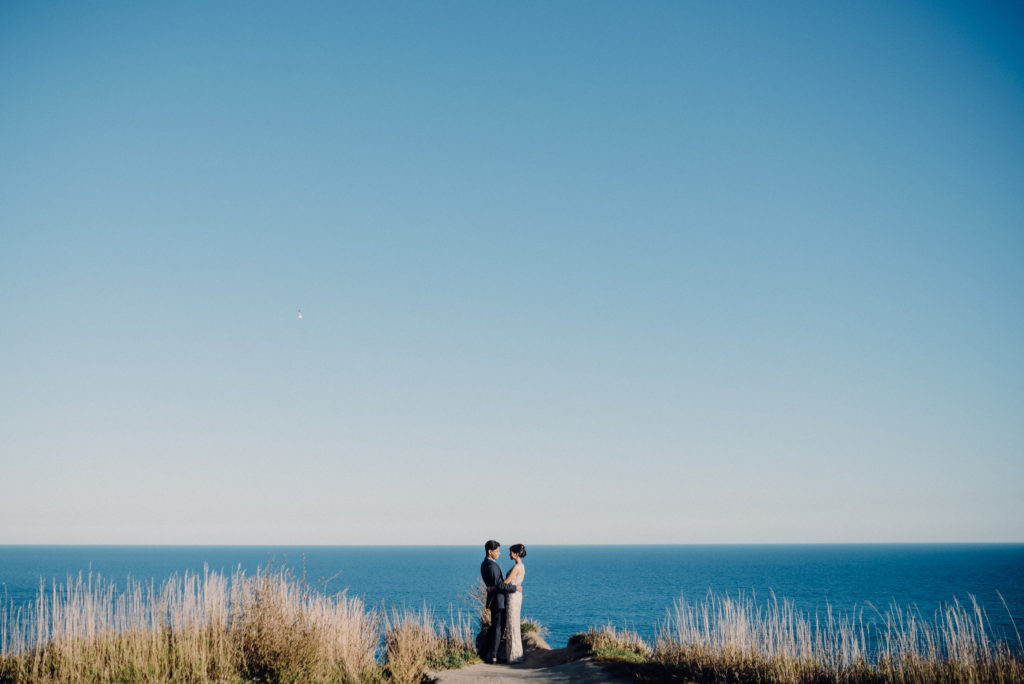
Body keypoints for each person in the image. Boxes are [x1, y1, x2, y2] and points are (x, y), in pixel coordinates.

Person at [480, 540, 522, 664]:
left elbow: (495, 585)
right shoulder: (491, 566)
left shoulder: (485, 564)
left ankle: (489, 653)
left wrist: (492, 587)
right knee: (498, 628)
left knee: (497, 627)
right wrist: (515, 588)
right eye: (497, 551)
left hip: (496, 599)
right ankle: (492, 655)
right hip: (498, 600)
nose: (499, 553)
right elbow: (499, 585)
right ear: (490, 551)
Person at [500, 544, 527, 663]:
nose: (509, 554)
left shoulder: (516, 567)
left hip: (512, 596)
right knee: (514, 623)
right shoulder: (522, 566)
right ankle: (516, 653)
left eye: (511, 552)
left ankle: (513, 655)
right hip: (517, 596)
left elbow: (505, 583)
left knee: (511, 623)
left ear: (516, 554)